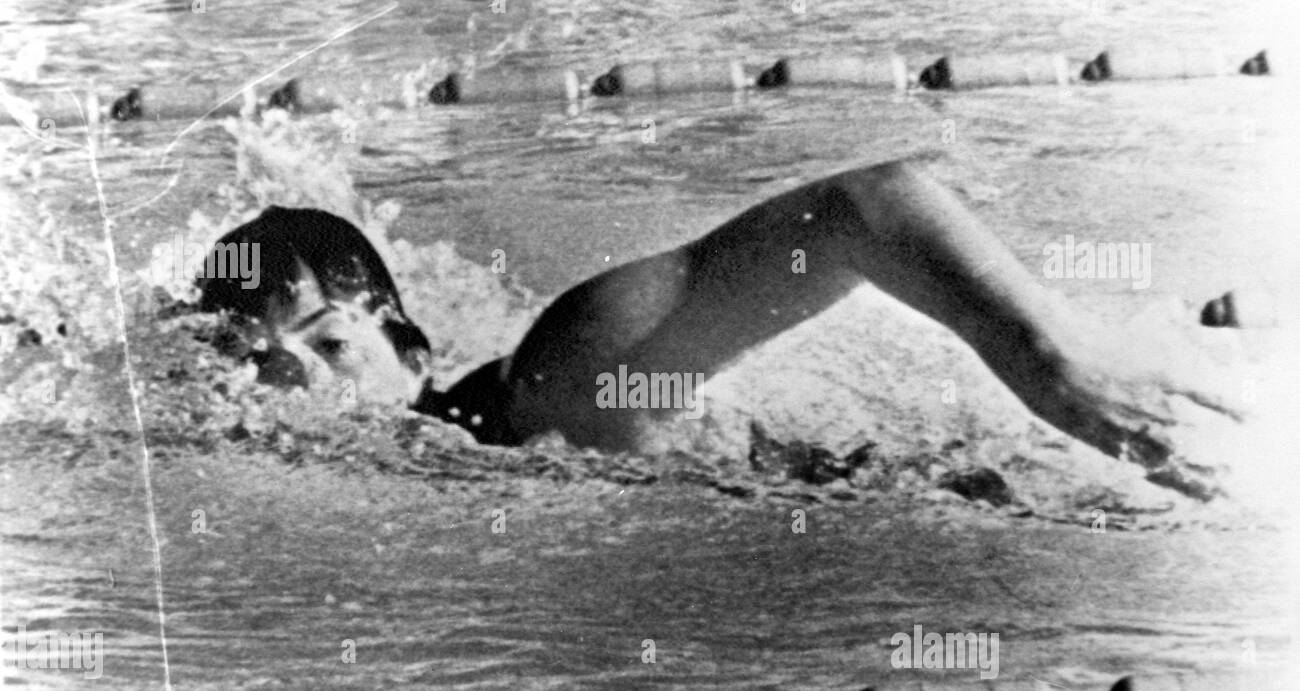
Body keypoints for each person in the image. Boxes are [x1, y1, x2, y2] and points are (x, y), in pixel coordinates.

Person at [196, 160, 1251, 499]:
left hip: (1012, 488)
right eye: (263, 363)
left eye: (330, 344)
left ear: (411, 351)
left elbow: (868, 207)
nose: (300, 388)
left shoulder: (569, 378)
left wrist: (1050, 358)